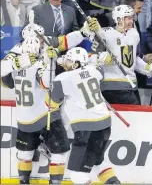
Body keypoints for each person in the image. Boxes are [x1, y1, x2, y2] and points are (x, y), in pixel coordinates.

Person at [0, 26, 70, 184]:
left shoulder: (15, 55)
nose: (42, 40)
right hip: (45, 115)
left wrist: (15, 64)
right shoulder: (38, 61)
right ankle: (55, 182)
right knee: (59, 151)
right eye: (40, 38)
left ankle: (23, 182)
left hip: (24, 117)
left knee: (25, 154)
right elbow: (46, 84)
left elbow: (6, 78)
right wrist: (51, 62)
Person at [45, 47, 120, 184]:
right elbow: (96, 70)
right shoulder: (96, 70)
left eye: (69, 61)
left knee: (76, 175)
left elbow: (51, 103)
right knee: (98, 163)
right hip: (104, 125)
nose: (65, 63)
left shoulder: (61, 79)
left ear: (76, 64)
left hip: (87, 131)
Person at [88, 5, 152, 105]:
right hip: (112, 87)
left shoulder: (134, 34)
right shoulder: (104, 34)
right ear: (119, 19)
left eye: (132, 18)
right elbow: (88, 57)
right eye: (128, 18)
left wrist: (151, 69)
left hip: (131, 85)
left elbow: (133, 60)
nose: (131, 21)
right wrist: (101, 58)